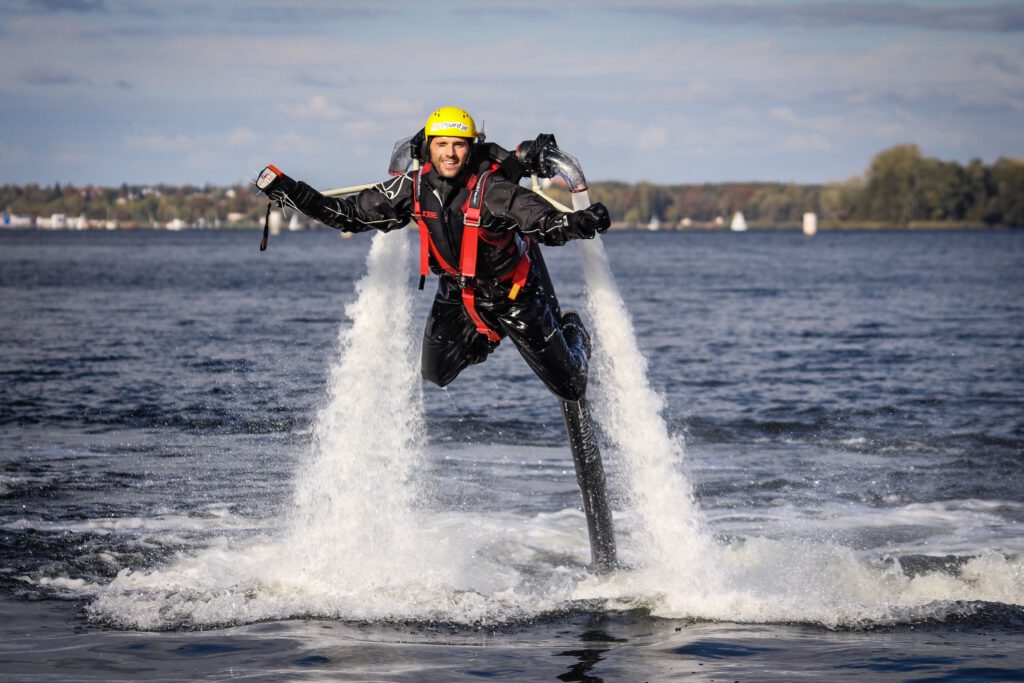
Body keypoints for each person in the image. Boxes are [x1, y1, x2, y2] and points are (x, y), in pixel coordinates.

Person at [255, 106, 610, 403]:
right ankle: (490, 335)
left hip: (513, 296)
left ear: (470, 149)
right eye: (442, 144)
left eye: (458, 145)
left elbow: (544, 222)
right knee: (435, 374)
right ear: (429, 146)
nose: (450, 154)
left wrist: (580, 222)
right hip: (456, 295)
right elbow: (347, 214)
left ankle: (573, 331)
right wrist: (290, 189)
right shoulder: (411, 188)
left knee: (571, 387)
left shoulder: (496, 192)